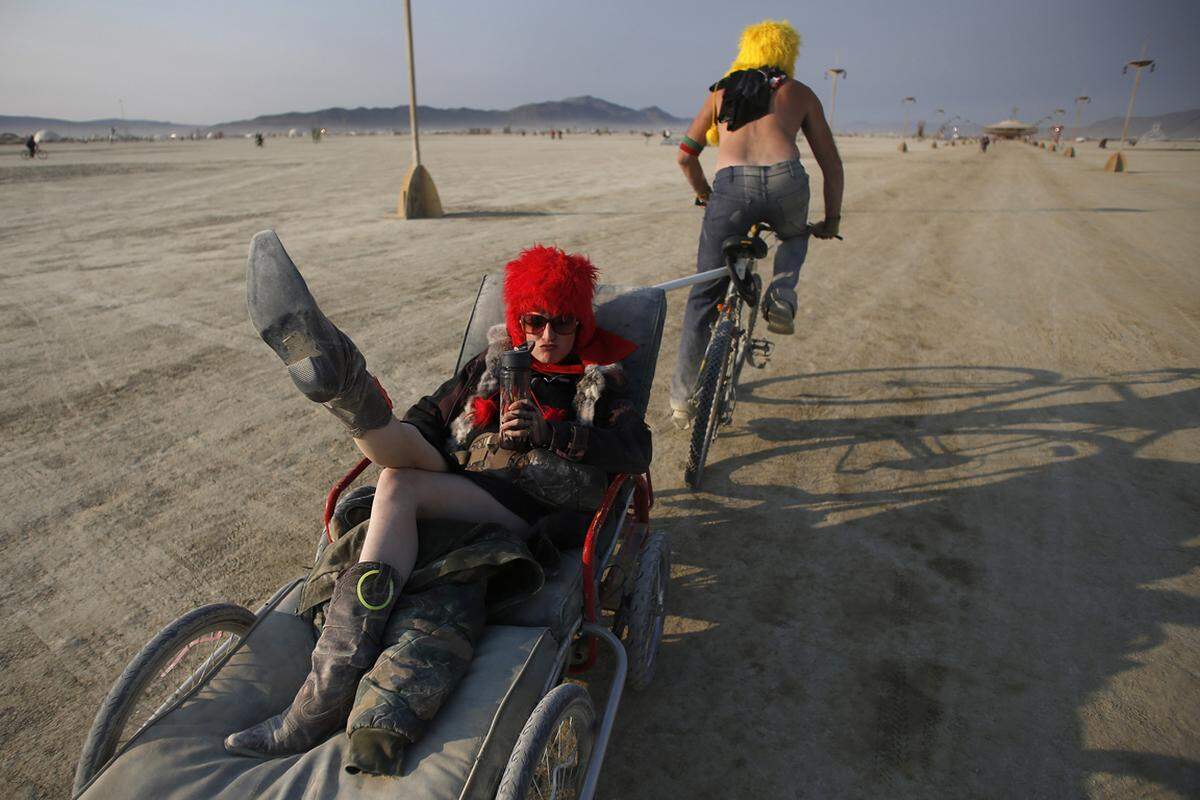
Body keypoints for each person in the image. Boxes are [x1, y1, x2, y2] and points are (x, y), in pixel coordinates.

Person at [223, 231, 651, 771]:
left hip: (528, 507)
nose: (547, 335)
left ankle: (322, 698)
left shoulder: (598, 381)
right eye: (534, 321)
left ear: (579, 323)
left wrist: (554, 433)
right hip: (457, 477)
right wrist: (432, 427)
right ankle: (345, 388)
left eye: (561, 322)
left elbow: (638, 450)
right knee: (399, 459)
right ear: (519, 319)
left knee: (396, 485)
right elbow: (430, 417)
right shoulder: (490, 364)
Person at [671, 19, 843, 426]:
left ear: (745, 50)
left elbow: (685, 154)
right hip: (786, 181)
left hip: (730, 190)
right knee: (794, 235)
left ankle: (681, 400)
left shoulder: (721, 92)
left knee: (702, 296)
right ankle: (782, 293)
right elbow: (830, 163)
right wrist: (831, 220)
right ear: (788, 53)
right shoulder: (799, 93)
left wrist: (704, 194)